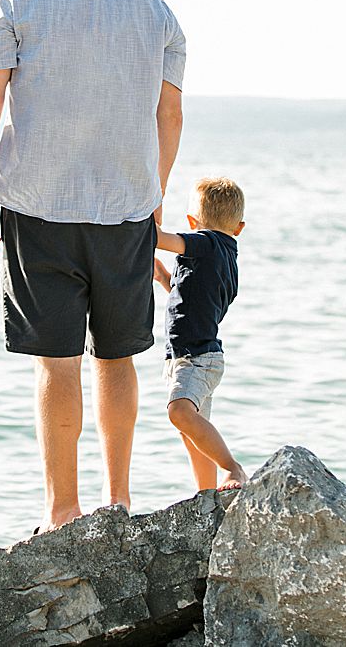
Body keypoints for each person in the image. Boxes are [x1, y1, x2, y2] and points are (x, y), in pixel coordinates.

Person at [0, 0, 186, 533]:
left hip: (36, 208)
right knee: (117, 358)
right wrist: (154, 195)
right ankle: (117, 500)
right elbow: (169, 115)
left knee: (57, 362)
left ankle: (63, 510)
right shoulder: (156, 11)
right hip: (124, 205)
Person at [153, 177, 248, 492]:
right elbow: (192, 298)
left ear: (193, 222)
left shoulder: (203, 243)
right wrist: (165, 278)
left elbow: (159, 238)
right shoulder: (226, 257)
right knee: (193, 429)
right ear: (239, 227)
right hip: (195, 356)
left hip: (195, 357)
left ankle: (233, 469)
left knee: (180, 412)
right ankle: (206, 494)